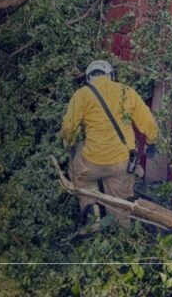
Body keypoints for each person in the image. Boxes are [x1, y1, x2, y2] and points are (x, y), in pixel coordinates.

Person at [61, 60, 159, 228]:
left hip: (92, 162)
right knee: (120, 204)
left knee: (80, 176)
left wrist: (70, 145)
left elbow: (69, 127)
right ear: (111, 75)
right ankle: (124, 237)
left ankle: (92, 210)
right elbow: (149, 122)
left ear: (88, 78)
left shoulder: (82, 94)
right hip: (122, 164)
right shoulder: (126, 91)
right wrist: (151, 141)